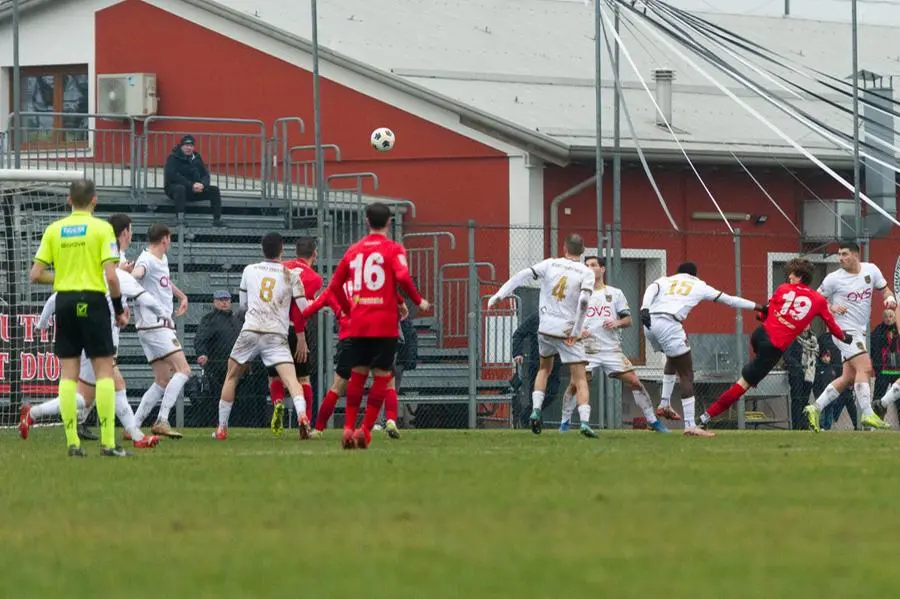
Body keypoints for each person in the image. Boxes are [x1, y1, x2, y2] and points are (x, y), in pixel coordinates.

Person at [24, 213, 164, 449]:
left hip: (94, 337)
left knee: (95, 394)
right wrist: (165, 316)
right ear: (124, 233)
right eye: (129, 230)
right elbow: (146, 297)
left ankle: (33, 413)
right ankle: (135, 437)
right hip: (98, 339)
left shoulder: (95, 269)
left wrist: (42, 322)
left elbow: (58, 294)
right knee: (103, 390)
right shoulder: (115, 273)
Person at [306, 202, 428, 449]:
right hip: (384, 325)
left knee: (354, 378)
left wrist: (348, 309)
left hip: (357, 326)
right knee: (384, 378)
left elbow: (333, 288)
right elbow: (401, 278)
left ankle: (347, 428)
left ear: (366, 221)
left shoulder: (353, 251)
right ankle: (367, 429)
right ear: (389, 223)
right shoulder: (393, 249)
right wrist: (417, 300)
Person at [28, 179, 129, 457]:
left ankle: (73, 443)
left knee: (68, 374)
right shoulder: (102, 229)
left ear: (69, 200)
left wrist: (62, 277)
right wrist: (119, 310)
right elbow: (111, 276)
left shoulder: (54, 229)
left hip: (65, 301)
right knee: (104, 372)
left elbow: (35, 275)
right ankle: (108, 443)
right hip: (93, 301)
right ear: (94, 200)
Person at [696, 258, 850, 433]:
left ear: (800, 276)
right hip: (773, 348)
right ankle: (705, 417)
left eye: (792, 273)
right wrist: (844, 337)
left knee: (753, 368)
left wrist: (770, 318)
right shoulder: (819, 300)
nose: (789, 276)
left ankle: (753, 371)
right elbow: (832, 325)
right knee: (743, 384)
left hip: (760, 334)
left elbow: (765, 313)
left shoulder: (782, 289)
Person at [488, 233, 596, 438]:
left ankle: (536, 409)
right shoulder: (585, 272)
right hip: (567, 331)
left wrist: (499, 295)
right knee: (580, 378)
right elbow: (583, 302)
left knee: (544, 369)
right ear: (582, 251)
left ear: (564, 247)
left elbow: (521, 275)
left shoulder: (550, 264)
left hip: (545, 328)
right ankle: (584, 422)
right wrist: (576, 330)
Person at [641, 261, 762, 437]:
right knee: (687, 374)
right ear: (694, 275)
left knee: (672, 359)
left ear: (678, 273)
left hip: (649, 322)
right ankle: (690, 425)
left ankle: (664, 403)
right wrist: (758, 306)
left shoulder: (665, 280)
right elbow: (730, 300)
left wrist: (644, 307)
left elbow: (652, 288)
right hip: (669, 322)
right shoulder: (699, 285)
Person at [214, 232, 311, 439]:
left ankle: (222, 428)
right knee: (293, 381)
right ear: (282, 250)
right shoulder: (291, 274)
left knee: (231, 377)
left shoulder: (250, 270)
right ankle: (302, 416)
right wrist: (321, 301)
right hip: (276, 334)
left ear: (262, 249)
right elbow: (304, 307)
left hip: (251, 330)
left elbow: (243, 306)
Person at [558, 256, 669, 433]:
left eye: (593, 265)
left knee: (635, 381)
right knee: (574, 384)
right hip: (586, 348)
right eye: (586, 266)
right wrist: (577, 332)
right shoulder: (578, 293)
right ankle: (564, 423)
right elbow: (566, 321)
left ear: (602, 269)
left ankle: (653, 421)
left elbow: (629, 320)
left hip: (611, 349)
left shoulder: (615, 293)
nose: (589, 268)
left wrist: (616, 323)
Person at [804, 242, 894, 431]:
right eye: (839, 254)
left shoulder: (871, 270)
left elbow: (885, 290)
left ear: (856, 255)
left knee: (848, 377)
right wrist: (832, 307)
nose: (841, 258)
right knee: (866, 368)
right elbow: (814, 302)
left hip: (859, 331)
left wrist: (889, 298)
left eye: (844, 254)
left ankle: (814, 408)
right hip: (843, 331)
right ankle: (868, 414)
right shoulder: (833, 279)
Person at [130, 224, 192, 439]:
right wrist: (128, 271)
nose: (171, 242)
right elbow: (139, 273)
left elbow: (163, 282)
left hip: (148, 327)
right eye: (170, 239)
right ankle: (162, 420)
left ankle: (133, 426)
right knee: (184, 370)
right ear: (165, 239)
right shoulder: (145, 260)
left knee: (162, 380)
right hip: (157, 325)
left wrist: (181, 295)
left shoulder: (160, 259)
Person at [269, 237, 320, 437]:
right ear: (314, 253)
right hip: (294, 329)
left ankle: (278, 405)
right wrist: (301, 337)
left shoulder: (282, 267)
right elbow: (299, 310)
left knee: (275, 376)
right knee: (303, 378)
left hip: (274, 328)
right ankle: (305, 421)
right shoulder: (314, 278)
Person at [193, 290, 242, 424]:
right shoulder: (209, 320)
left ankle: (236, 423)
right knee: (216, 397)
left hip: (236, 366)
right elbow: (200, 339)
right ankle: (216, 423)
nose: (225, 302)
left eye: (227, 299)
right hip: (216, 368)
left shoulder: (236, 320)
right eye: (221, 300)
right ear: (215, 302)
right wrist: (202, 354)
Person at [511, 312, 563, 429]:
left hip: (555, 362)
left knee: (552, 393)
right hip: (537, 364)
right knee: (535, 395)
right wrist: (517, 353)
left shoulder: (561, 318)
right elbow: (518, 334)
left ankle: (526, 415)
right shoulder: (536, 318)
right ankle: (533, 424)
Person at [163, 134, 224, 227]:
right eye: (186, 145)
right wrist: (191, 185)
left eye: (191, 146)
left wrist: (203, 184)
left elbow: (205, 174)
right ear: (181, 146)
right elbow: (173, 175)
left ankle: (217, 220)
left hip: (194, 189)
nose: (189, 148)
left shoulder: (197, 158)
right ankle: (180, 219)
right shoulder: (173, 157)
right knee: (180, 188)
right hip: (175, 189)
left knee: (214, 190)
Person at [816, 334, 858, 430]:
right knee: (832, 400)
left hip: (845, 373)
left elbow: (852, 356)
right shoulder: (823, 338)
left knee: (848, 399)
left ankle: (856, 424)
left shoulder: (847, 336)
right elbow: (820, 354)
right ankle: (828, 423)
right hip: (830, 374)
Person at [783, 326, 818, 430]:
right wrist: (798, 367)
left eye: (809, 323)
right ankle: (796, 426)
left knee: (805, 399)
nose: (807, 325)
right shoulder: (793, 337)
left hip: (809, 373)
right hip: (796, 373)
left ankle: (804, 424)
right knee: (797, 399)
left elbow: (816, 353)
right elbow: (787, 356)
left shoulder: (813, 339)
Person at [871, 309, 900, 417]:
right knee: (878, 397)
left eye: (891, 316)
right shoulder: (878, 330)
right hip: (883, 370)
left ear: (895, 316)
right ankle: (875, 422)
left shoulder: (899, 328)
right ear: (883, 318)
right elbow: (872, 349)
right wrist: (876, 367)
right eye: (886, 316)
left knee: (899, 399)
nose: (889, 319)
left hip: (898, 371)